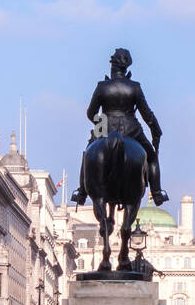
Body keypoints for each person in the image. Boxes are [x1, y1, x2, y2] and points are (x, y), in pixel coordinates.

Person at [68, 48, 169, 206]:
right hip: (131, 130)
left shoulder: (102, 86)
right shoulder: (135, 87)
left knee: (87, 154)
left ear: (112, 65)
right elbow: (146, 114)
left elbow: (91, 112)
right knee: (152, 157)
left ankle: (81, 192)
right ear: (127, 67)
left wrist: (101, 124)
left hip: (105, 128)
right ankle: (157, 193)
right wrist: (156, 131)